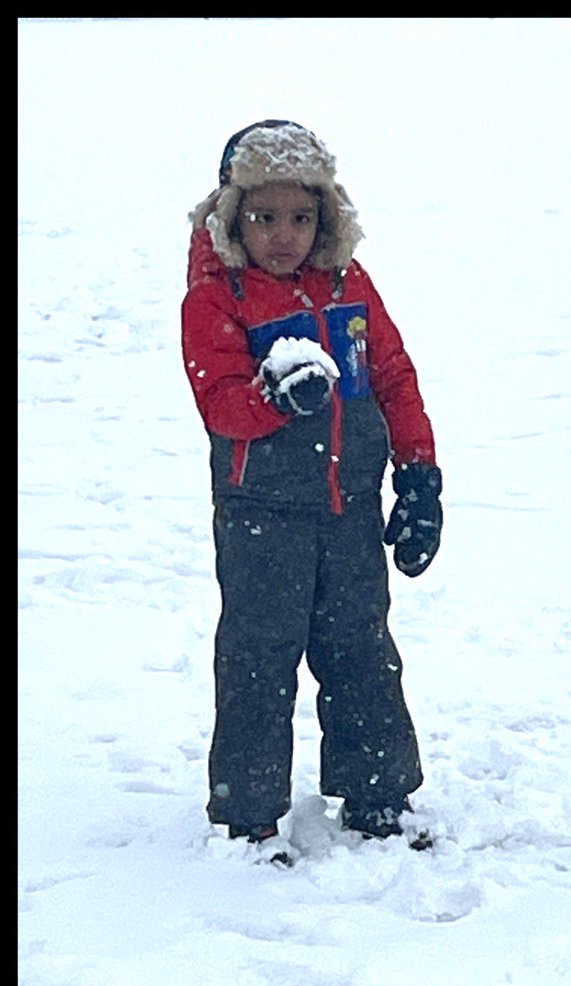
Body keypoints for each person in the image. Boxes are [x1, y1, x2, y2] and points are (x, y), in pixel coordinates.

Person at [182, 120, 442, 861]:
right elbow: (221, 402)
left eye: (301, 216)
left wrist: (419, 474)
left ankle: (378, 793)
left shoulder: (349, 286)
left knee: (361, 648)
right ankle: (249, 812)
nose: (284, 235)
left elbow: (393, 375)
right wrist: (274, 400)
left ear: (327, 215)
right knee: (259, 655)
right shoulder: (216, 297)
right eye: (265, 217)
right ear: (234, 216)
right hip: (262, 514)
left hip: (349, 509)